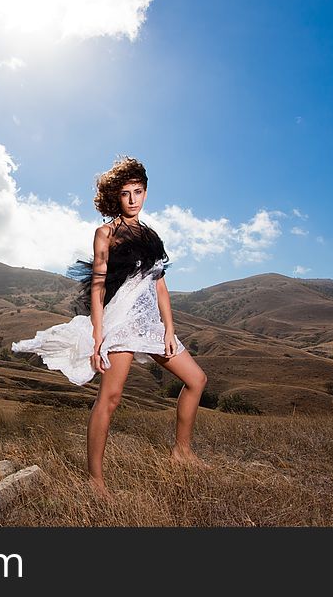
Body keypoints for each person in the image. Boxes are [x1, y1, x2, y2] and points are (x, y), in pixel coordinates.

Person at [12, 156, 209, 500]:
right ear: (114, 197)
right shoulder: (106, 233)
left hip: (150, 323)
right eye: (126, 193)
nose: (133, 199)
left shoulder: (151, 236)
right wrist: (98, 334)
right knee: (111, 398)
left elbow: (160, 285)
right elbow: (99, 285)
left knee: (197, 380)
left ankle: (182, 453)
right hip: (120, 321)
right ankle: (96, 480)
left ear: (146, 193)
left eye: (139, 192)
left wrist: (168, 329)